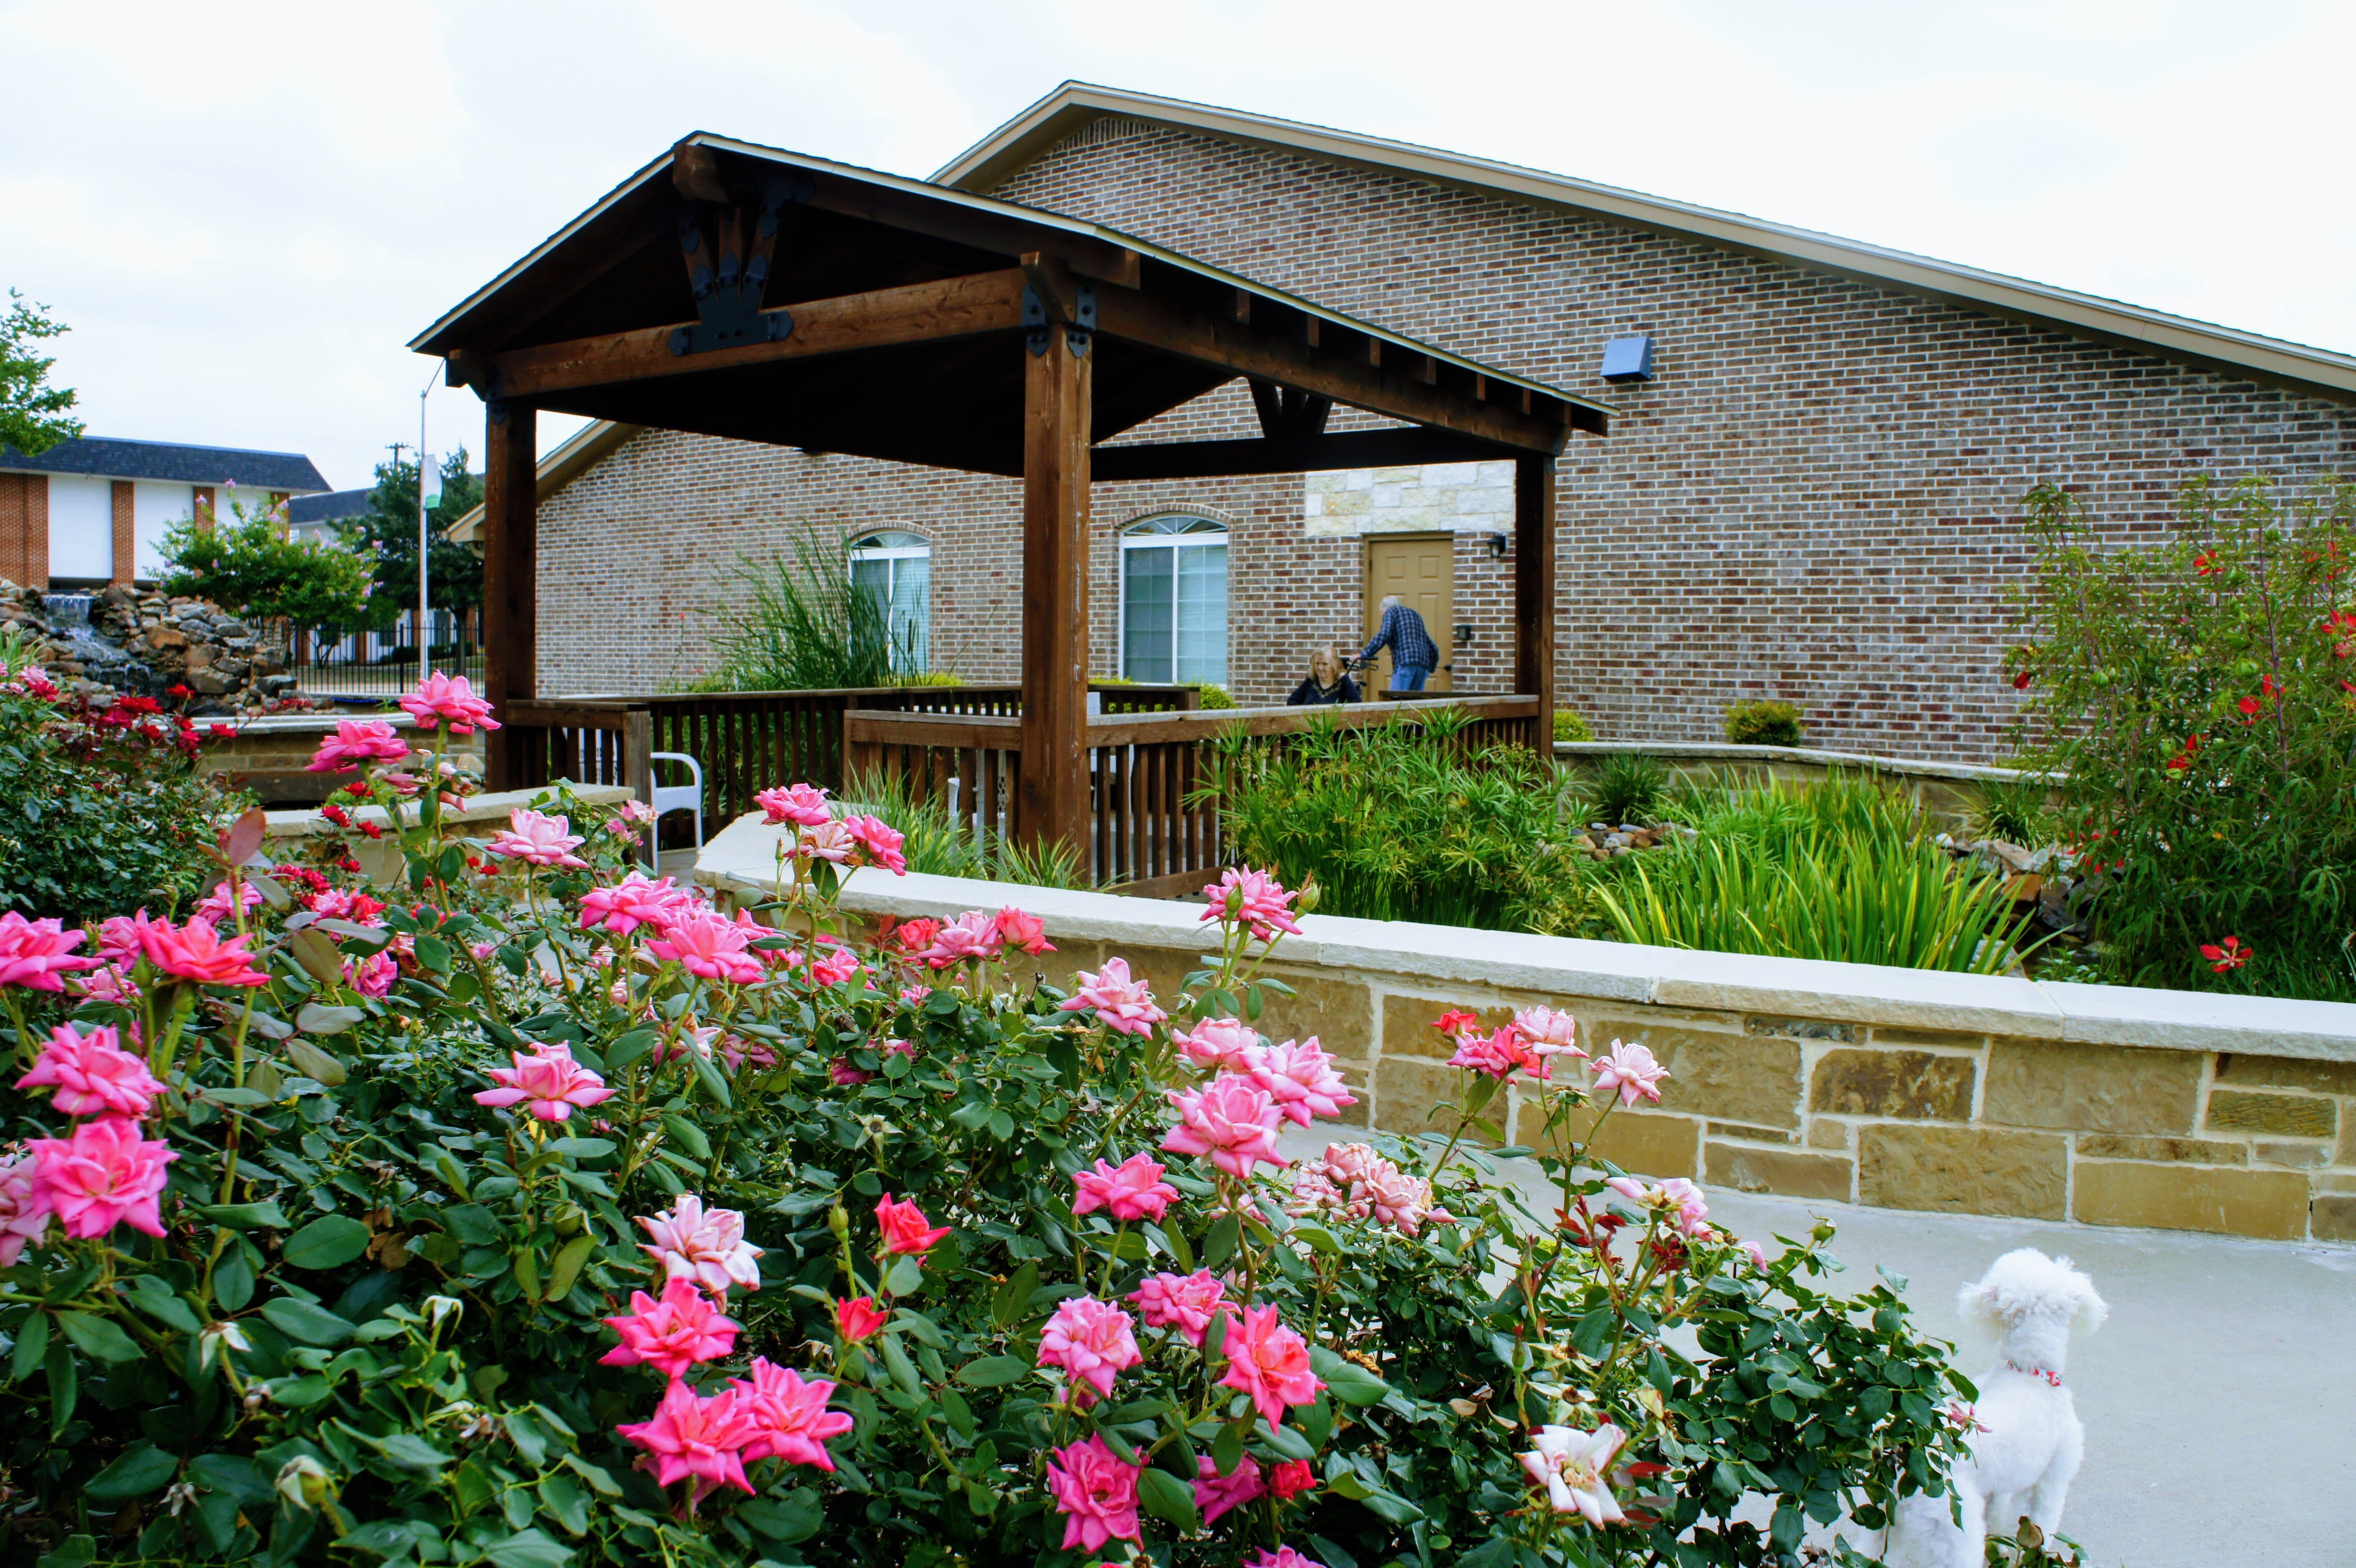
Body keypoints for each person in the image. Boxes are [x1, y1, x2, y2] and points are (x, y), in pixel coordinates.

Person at [1359, 594, 1439, 694]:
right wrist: (1431, 666)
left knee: (1396, 701)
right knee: (1415, 704)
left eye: (1382, 613)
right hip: (1423, 666)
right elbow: (1433, 647)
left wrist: (1364, 654)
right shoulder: (1415, 615)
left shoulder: (1391, 611)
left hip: (1406, 662)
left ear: (1384, 609)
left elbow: (1384, 634)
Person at [1287, 645, 1361, 706]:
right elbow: (1292, 701)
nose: (1320, 668)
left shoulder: (1343, 680)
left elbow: (1357, 705)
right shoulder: (1311, 680)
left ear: (1334, 665)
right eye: (1317, 663)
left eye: (1325, 664)